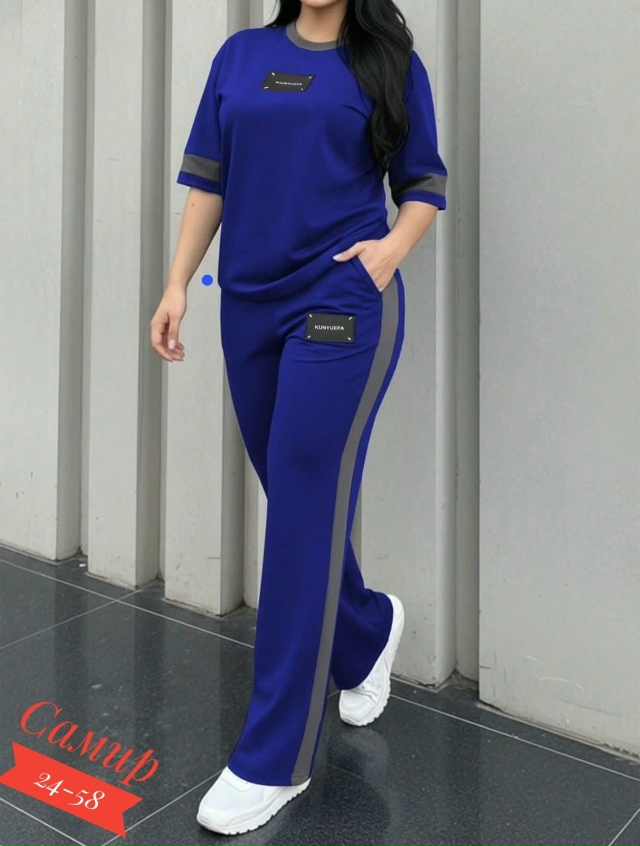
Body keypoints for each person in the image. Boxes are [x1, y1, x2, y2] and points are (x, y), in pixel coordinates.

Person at [150, 0, 447, 835]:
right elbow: (209, 179)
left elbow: (423, 183)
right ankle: (365, 630)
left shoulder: (388, 64)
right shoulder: (241, 57)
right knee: (298, 506)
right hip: (247, 308)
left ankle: (273, 757)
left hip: (340, 307)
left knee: (300, 515)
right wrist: (177, 284)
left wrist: (388, 254)